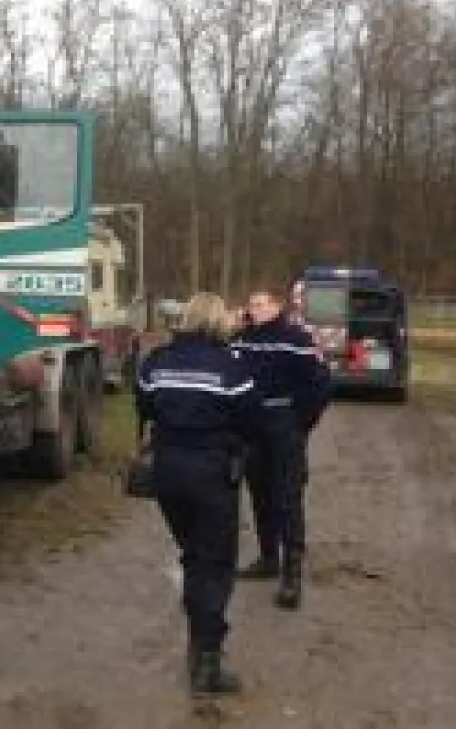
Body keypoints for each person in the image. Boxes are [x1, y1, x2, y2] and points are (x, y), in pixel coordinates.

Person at [136, 292, 262, 696]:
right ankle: (207, 661)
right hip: (211, 473)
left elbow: (146, 405)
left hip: (167, 472)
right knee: (215, 563)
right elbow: (252, 420)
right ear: (217, 321)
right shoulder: (230, 367)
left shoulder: (157, 361)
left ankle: (199, 640)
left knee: (193, 553)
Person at [231, 285, 332, 610]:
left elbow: (319, 385)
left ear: (277, 306)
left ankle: (292, 574)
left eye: (260, 303)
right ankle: (268, 558)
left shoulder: (297, 340)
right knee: (259, 494)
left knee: (287, 497)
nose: (254, 309)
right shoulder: (241, 340)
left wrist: (300, 422)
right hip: (251, 430)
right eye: (251, 304)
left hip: (284, 427)